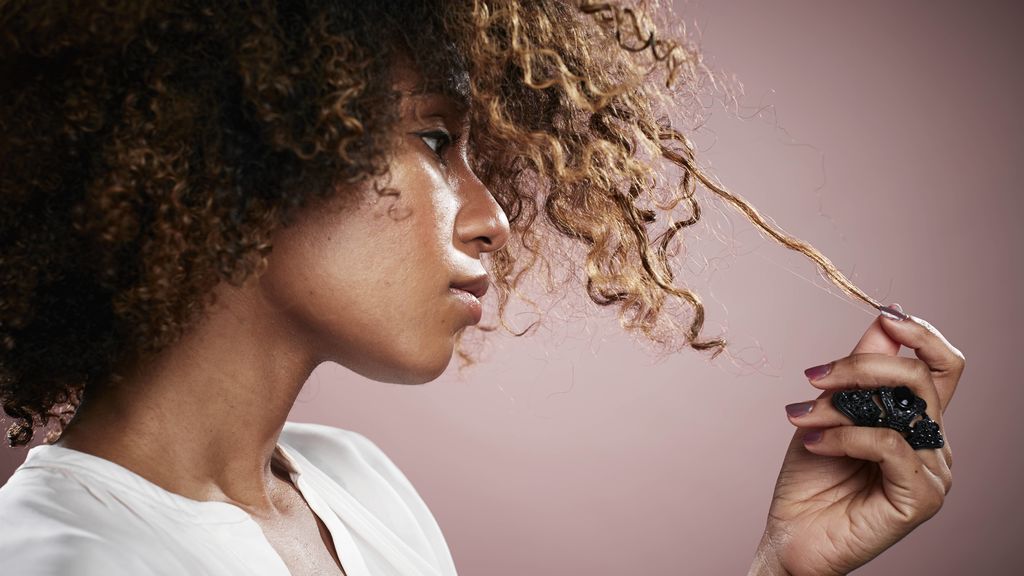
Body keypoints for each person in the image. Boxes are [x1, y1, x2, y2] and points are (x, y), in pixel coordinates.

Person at [0, 1, 964, 575]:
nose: (493, 217)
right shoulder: (63, 561)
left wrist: (783, 568)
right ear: (245, 146)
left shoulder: (357, 486)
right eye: (433, 141)